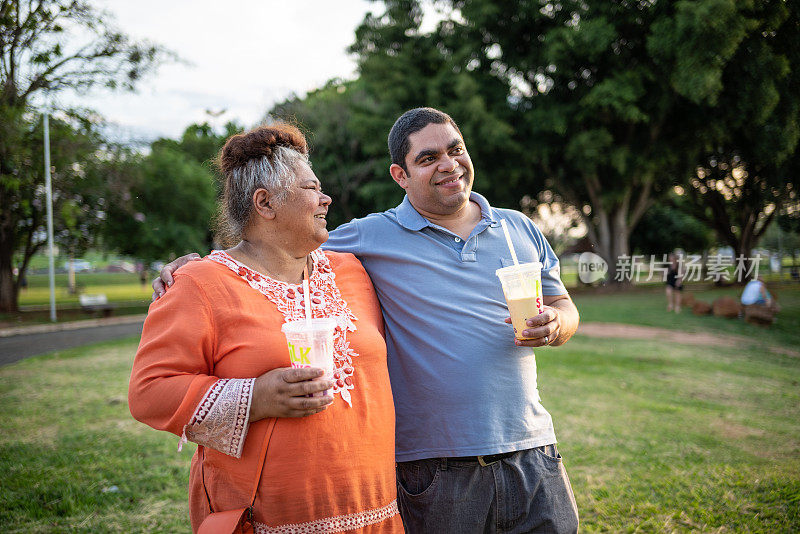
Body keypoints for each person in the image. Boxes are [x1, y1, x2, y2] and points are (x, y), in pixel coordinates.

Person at [155, 108, 581, 533]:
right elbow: (280, 242)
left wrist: (557, 323)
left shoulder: (518, 228)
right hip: (437, 469)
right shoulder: (368, 237)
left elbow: (564, 305)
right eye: (428, 158)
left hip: (535, 450)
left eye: (455, 150)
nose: (449, 164)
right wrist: (199, 267)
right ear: (400, 175)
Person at [129, 124, 402, 533]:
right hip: (266, 519)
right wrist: (254, 398)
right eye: (311, 188)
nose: (326, 198)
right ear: (265, 203)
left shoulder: (353, 269)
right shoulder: (200, 283)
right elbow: (149, 392)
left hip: (378, 513)